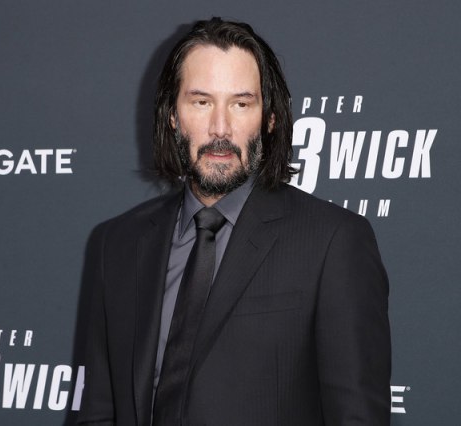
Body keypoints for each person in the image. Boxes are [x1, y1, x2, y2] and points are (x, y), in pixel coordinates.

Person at [78, 17, 391, 426]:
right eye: (201, 102)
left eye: (241, 104)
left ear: (270, 118)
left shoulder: (334, 242)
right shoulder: (118, 243)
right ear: (172, 115)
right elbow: (99, 412)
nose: (220, 128)